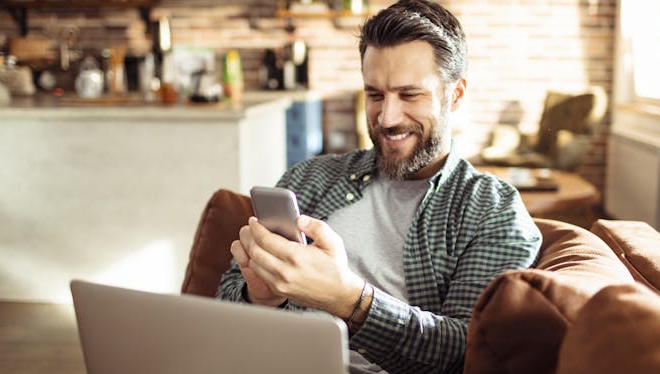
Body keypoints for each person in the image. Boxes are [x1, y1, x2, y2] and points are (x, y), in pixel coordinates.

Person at [216, 1, 542, 373]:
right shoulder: (307, 179)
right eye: (375, 95)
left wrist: (348, 300)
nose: (387, 118)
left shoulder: (491, 211)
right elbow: (222, 302)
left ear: (456, 95)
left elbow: (468, 352)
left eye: (409, 95)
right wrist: (259, 298)